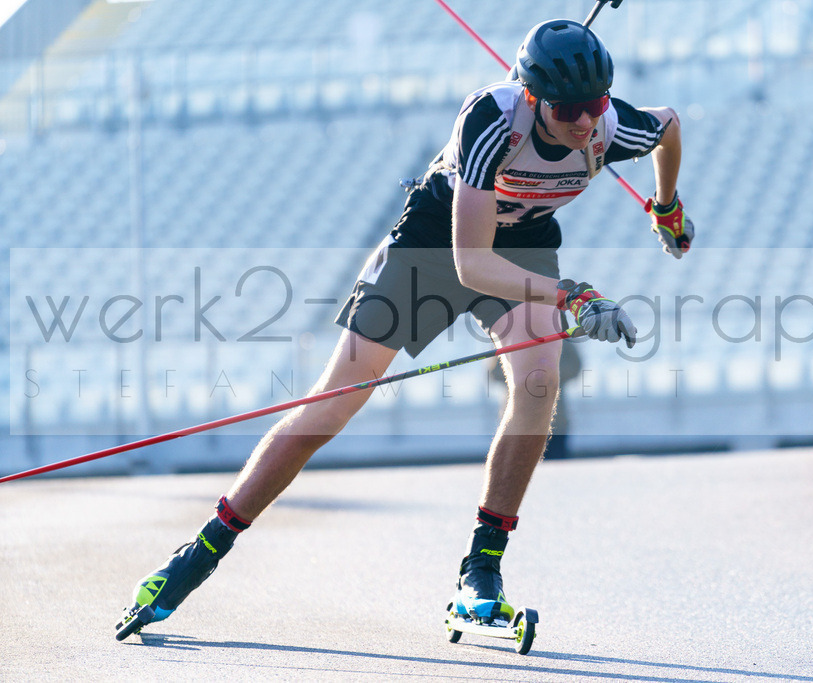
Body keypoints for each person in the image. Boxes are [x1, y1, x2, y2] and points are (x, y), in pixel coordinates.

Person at [118, 18, 693, 634]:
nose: (583, 122)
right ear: (531, 96)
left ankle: (482, 568)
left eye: (595, 103)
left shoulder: (611, 126)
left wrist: (666, 206)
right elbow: (471, 265)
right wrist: (573, 296)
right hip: (436, 241)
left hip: (524, 244)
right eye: (567, 108)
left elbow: (669, 126)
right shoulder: (491, 120)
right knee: (334, 403)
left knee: (538, 385)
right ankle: (201, 552)